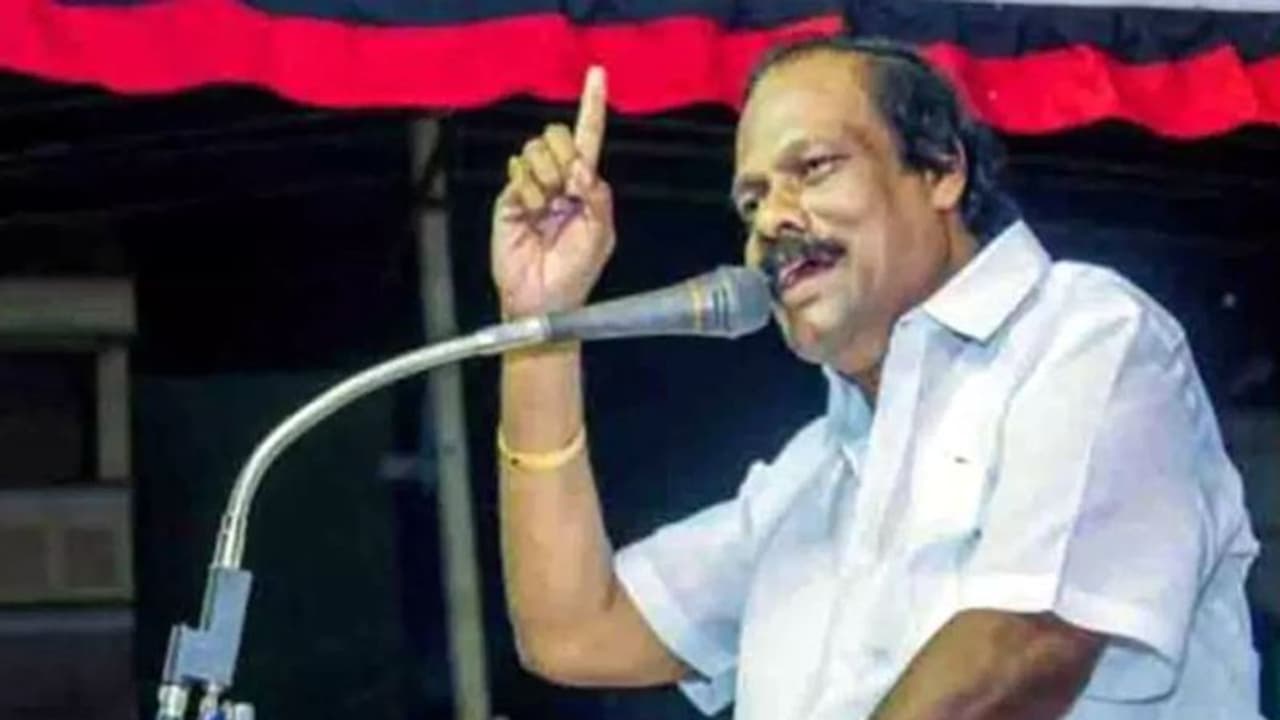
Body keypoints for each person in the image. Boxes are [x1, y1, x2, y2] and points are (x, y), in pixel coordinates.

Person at [488, 35, 1263, 719]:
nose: (771, 221)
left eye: (813, 169)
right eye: (751, 202)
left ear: (941, 170)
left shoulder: (1084, 335)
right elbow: (575, 631)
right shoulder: (811, 476)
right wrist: (542, 323)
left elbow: (1023, 646)